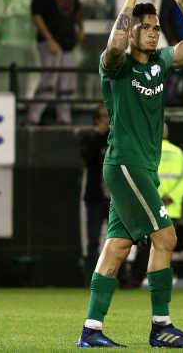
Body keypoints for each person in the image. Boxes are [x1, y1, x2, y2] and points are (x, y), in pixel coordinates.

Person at [77, 0, 183, 348]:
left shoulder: (161, 63)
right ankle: (161, 326)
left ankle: (91, 330)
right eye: (147, 28)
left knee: (118, 245)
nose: (154, 33)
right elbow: (114, 47)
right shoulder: (116, 68)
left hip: (142, 169)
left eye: (156, 28)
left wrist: (181, 4)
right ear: (132, 30)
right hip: (125, 163)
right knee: (165, 238)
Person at [128, 123, 183, 288]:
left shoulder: (144, 152)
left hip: (148, 207)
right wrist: (171, 196)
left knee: (145, 248)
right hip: (170, 210)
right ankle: (160, 283)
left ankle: (135, 281)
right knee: (165, 247)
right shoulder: (181, 155)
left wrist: (152, 197)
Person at [27, 0, 83, 125]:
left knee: (67, 83)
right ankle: (33, 117)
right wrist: (49, 39)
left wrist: (80, 28)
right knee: (49, 81)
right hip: (50, 41)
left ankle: (64, 119)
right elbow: (36, 15)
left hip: (68, 41)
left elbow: (77, 9)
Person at [79, 105, 111, 286]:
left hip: (115, 198)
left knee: (119, 240)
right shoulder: (89, 137)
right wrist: (99, 135)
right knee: (92, 240)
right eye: (103, 117)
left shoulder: (116, 138)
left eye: (108, 116)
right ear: (96, 119)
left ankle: (119, 277)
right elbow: (86, 155)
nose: (106, 120)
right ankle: (92, 278)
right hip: (95, 197)